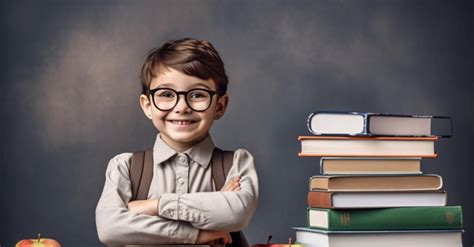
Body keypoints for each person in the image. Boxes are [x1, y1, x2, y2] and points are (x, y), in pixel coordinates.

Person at [95, 38, 259, 246]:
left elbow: (237, 214)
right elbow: (109, 228)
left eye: (197, 94)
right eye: (166, 94)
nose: (182, 107)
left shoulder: (236, 163)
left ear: (219, 106)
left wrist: (154, 206)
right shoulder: (125, 167)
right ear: (147, 106)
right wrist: (197, 233)